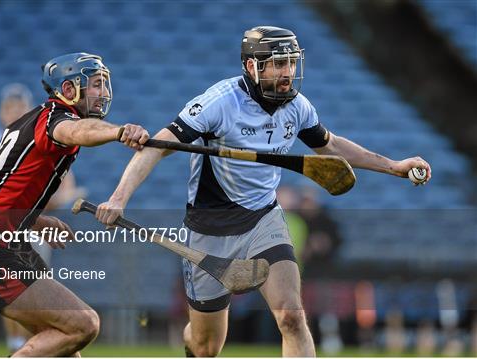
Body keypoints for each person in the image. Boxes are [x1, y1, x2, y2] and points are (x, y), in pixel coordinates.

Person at [96, 26, 432, 357]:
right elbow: (157, 147)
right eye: (278, 64)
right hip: (209, 229)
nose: (288, 73)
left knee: (291, 316)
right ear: (252, 66)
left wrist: (394, 166)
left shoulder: (297, 107)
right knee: (206, 345)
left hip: (263, 221)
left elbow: (330, 147)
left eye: (291, 63)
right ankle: (193, 335)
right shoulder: (220, 102)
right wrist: (118, 199)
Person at [0, 52, 149, 357]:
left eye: (104, 85)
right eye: (96, 85)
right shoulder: (56, 121)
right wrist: (119, 131)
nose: (104, 93)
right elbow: (78, 131)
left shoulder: (28, 120)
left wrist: (35, 220)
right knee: (84, 324)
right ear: (69, 90)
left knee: (67, 347)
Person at [0, 82, 86, 353]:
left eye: (19, 106)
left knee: (59, 323)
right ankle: (15, 345)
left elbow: (61, 187)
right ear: (1, 110)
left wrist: (38, 217)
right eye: (10, 106)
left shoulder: (31, 132)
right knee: (75, 323)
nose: (14, 110)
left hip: (19, 226)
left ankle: (22, 346)